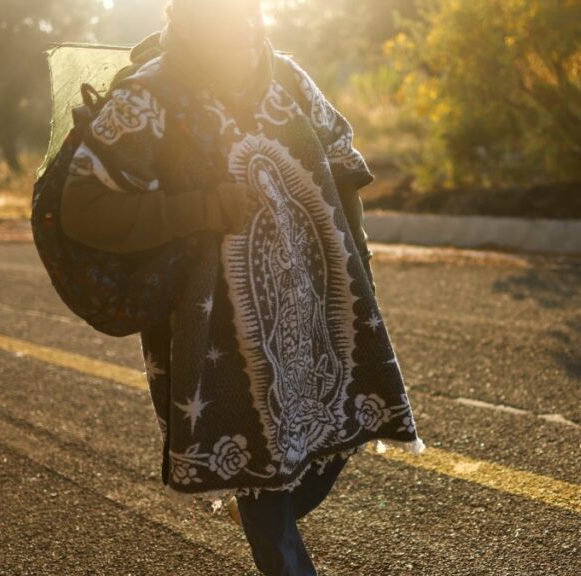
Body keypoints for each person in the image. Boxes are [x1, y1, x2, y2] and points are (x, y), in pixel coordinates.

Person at [60, 1, 422, 574]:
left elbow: (344, 169)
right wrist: (201, 207)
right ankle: (265, 518)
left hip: (317, 313)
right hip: (216, 335)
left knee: (330, 444)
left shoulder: (287, 77)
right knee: (265, 479)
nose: (240, 26)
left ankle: (262, 505)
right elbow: (83, 207)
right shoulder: (150, 94)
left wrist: (362, 270)